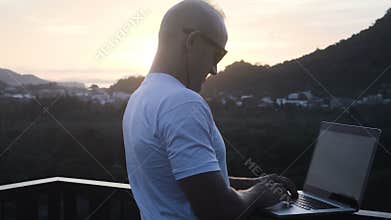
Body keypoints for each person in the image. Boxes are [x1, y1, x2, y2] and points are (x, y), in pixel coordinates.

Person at [122, 0, 298, 219]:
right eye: (217, 56)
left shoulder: (139, 99)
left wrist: (250, 183)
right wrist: (257, 193)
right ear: (192, 41)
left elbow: (184, 178)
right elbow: (218, 209)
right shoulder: (182, 102)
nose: (214, 70)